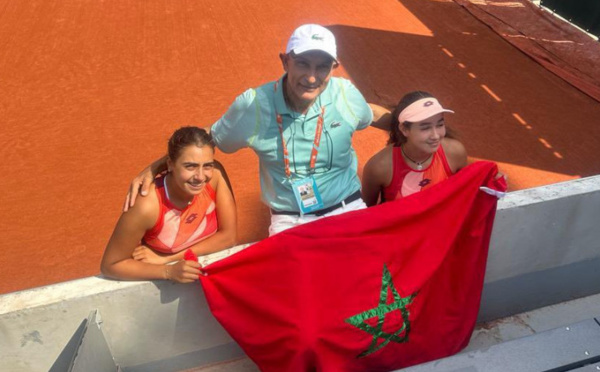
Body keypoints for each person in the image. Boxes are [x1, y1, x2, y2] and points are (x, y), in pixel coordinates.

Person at [124, 24, 386, 235]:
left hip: (347, 207)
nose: (311, 77)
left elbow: (370, 114)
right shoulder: (253, 106)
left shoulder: (346, 94)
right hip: (291, 221)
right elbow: (209, 137)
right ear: (285, 61)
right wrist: (156, 166)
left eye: (322, 67)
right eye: (303, 63)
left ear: (334, 68)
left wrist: (412, 121)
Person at [101, 127, 237, 283]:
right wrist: (168, 271)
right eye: (190, 166)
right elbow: (111, 265)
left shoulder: (216, 177)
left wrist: (167, 259)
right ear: (170, 164)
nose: (200, 177)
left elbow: (229, 237)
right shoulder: (147, 206)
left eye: (207, 165)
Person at [362, 91, 468, 206]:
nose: (435, 135)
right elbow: (366, 212)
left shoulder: (455, 152)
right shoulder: (379, 167)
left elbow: (465, 195)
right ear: (404, 129)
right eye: (425, 128)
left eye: (439, 125)